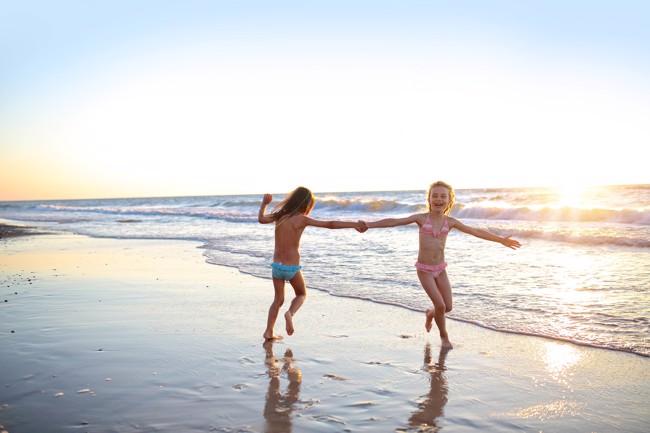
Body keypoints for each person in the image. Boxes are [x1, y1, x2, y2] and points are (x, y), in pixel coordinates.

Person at [362, 181, 520, 349]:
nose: (439, 199)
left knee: (448, 307)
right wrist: (369, 225)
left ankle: (430, 314)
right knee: (440, 305)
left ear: (450, 200)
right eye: (435, 196)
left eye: (443, 196)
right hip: (424, 270)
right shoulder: (421, 219)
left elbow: (476, 231)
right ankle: (444, 337)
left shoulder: (450, 222)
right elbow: (394, 221)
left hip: (440, 269)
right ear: (429, 199)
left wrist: (501, 240)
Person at [258, 186, 367, 340]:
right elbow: (330, 224)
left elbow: (261, 219)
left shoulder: (279, 216)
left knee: (278, 299)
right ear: (305, 205)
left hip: (277, 266)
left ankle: (269, 331)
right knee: (301, 294)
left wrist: (264, 204)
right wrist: (354, 224)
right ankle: (290, 313)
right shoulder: (302, 219)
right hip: (292, 267)